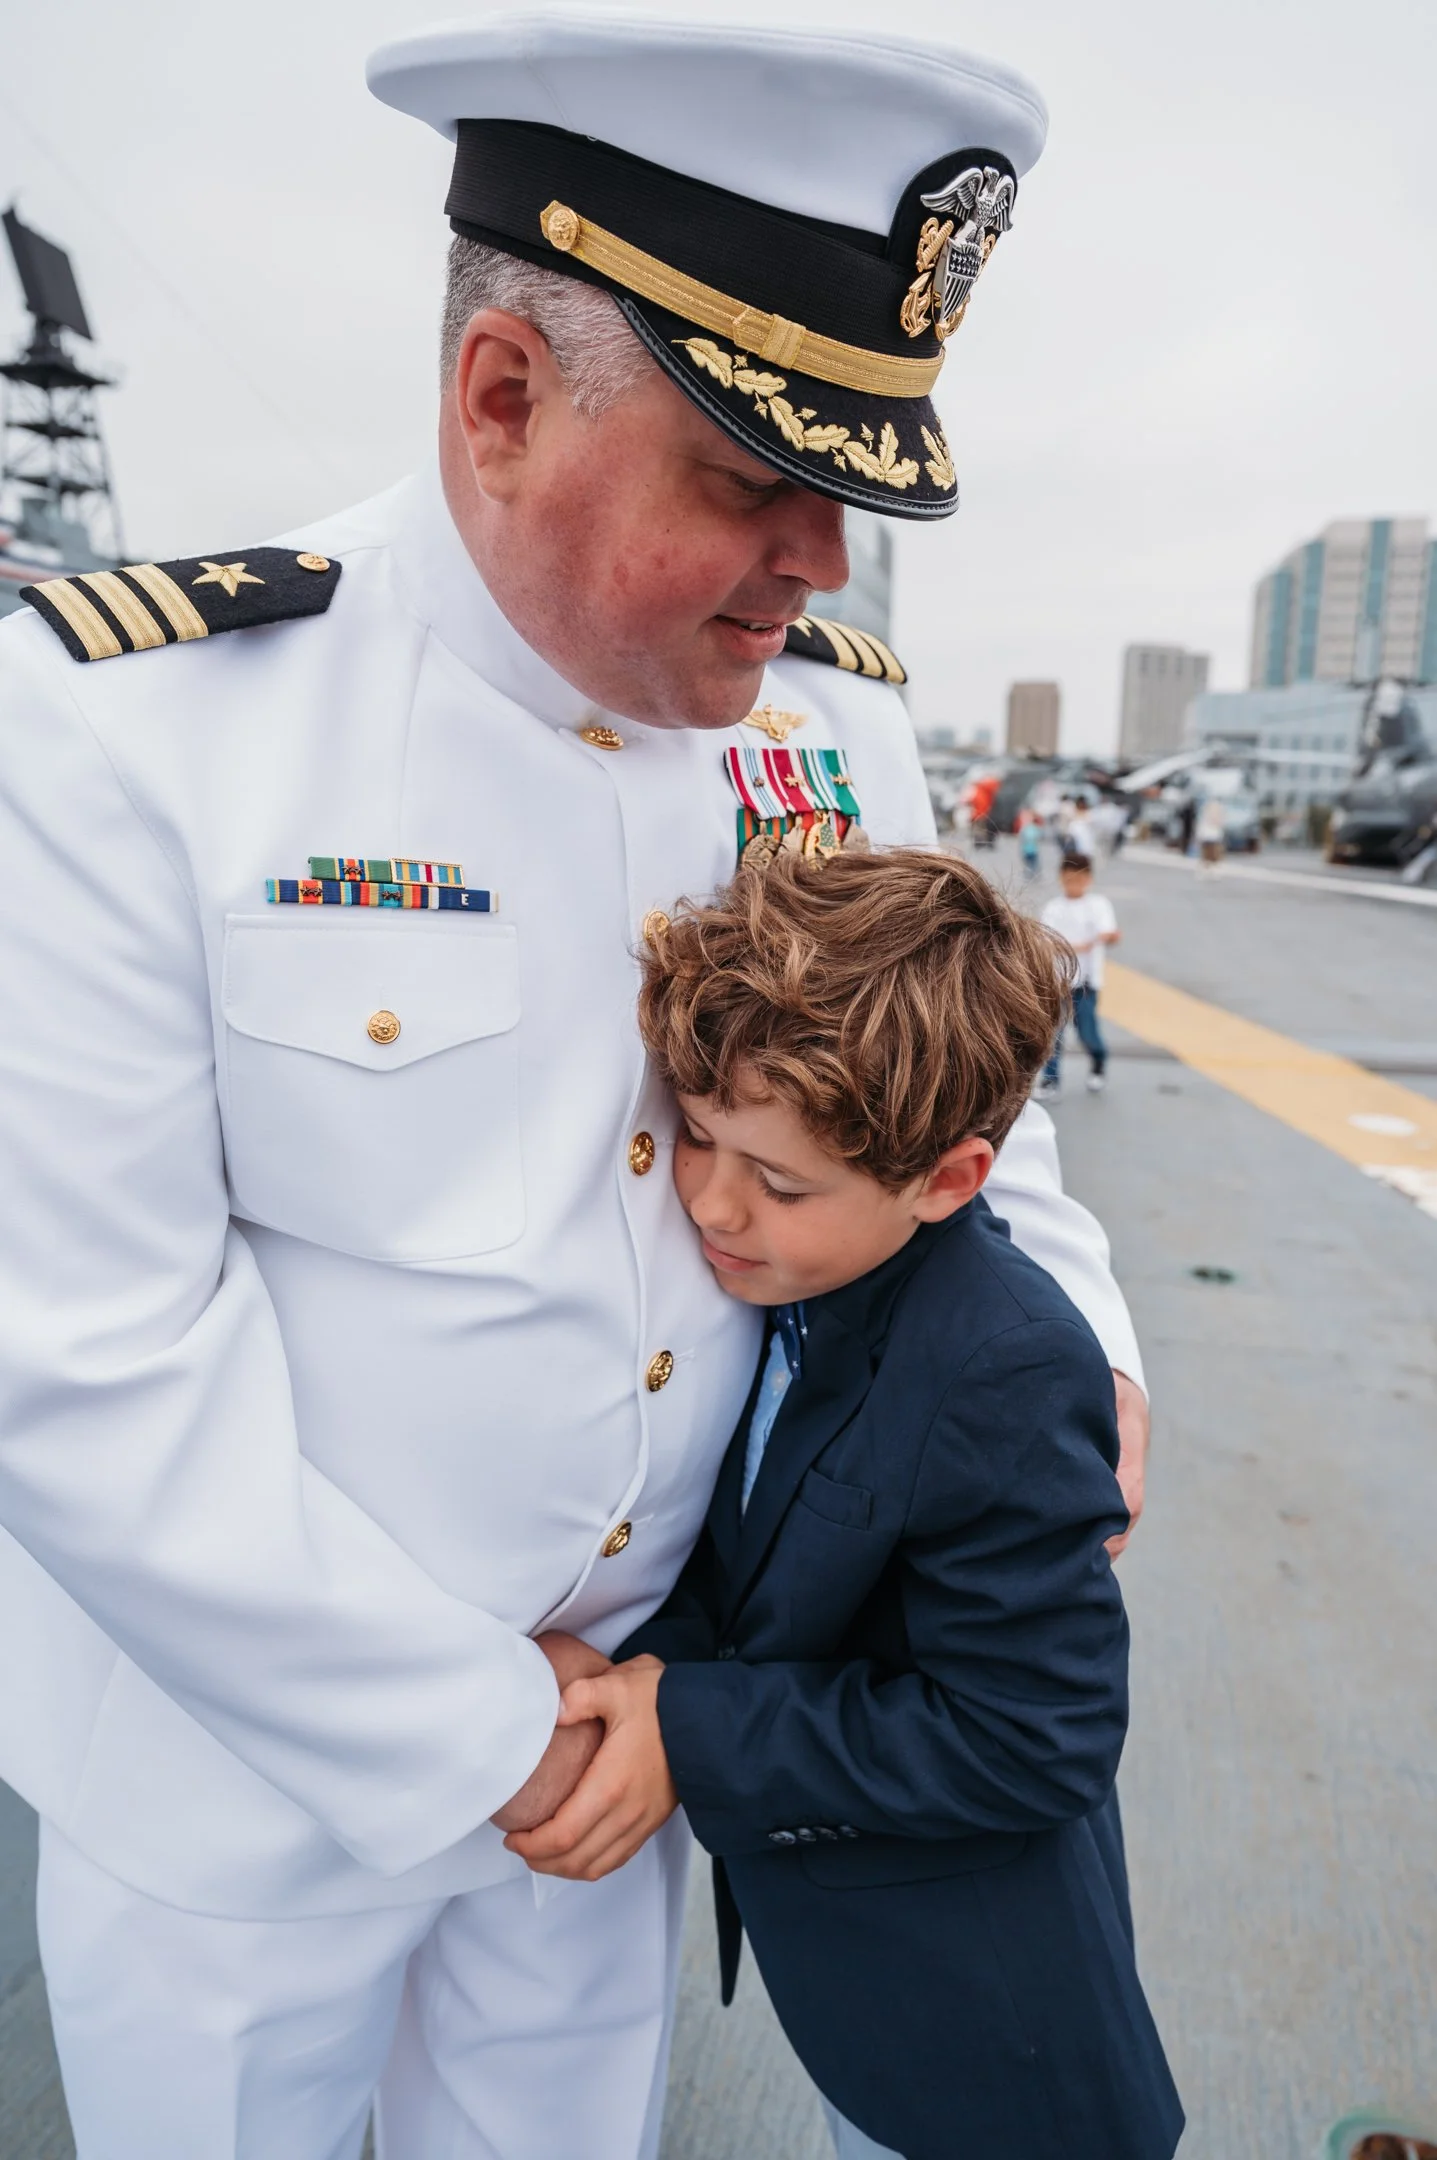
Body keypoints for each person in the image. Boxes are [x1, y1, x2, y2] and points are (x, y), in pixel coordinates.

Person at [0, 16, 1152, 2156]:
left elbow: (981, 1108)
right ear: (503, 396)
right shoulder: (133, 730)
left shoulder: (838, 732)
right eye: (751, 473)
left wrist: (1070, 1336)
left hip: (632, 1754)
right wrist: (482, 1734)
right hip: (253, 1789)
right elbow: (82, 1358)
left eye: (862, 483)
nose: (820, 559)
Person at [519, 850, 1183, 2160]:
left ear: (948, 1180)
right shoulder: (809, 1282)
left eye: (779, 1183)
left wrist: (688, 1719)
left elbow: (1031, 1737)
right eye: (698, 1137)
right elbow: (770, 1538)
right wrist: (632, 1671)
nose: (710, 1201)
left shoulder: (999, 1362)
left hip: (992, 2045)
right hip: (864, 2001)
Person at [1038, 851, 1120, 1097]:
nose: (1074, 884)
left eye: (1079, 879)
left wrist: (1106, 937)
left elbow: (1111, 933)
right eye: (1069, 879)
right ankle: (1050, 1079)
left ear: (1088, 879)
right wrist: (1077, 946)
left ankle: (1098, 1060)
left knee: (1087, 1032)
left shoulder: (1098, 905)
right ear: (1061, 878)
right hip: (1058, 983)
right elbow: (1044, 941)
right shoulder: (1053, 908)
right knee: (1054, 1034)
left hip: (1086, 983)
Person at [1196, 790, 1227, 870]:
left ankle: (1212, 870)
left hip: (1214, 837)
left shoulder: (1219, 811)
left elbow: (1221, 823)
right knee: (1206, 856)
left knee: (1214, 856)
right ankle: (1206, 870)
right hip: (1207, 836)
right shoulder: (1205, 813)